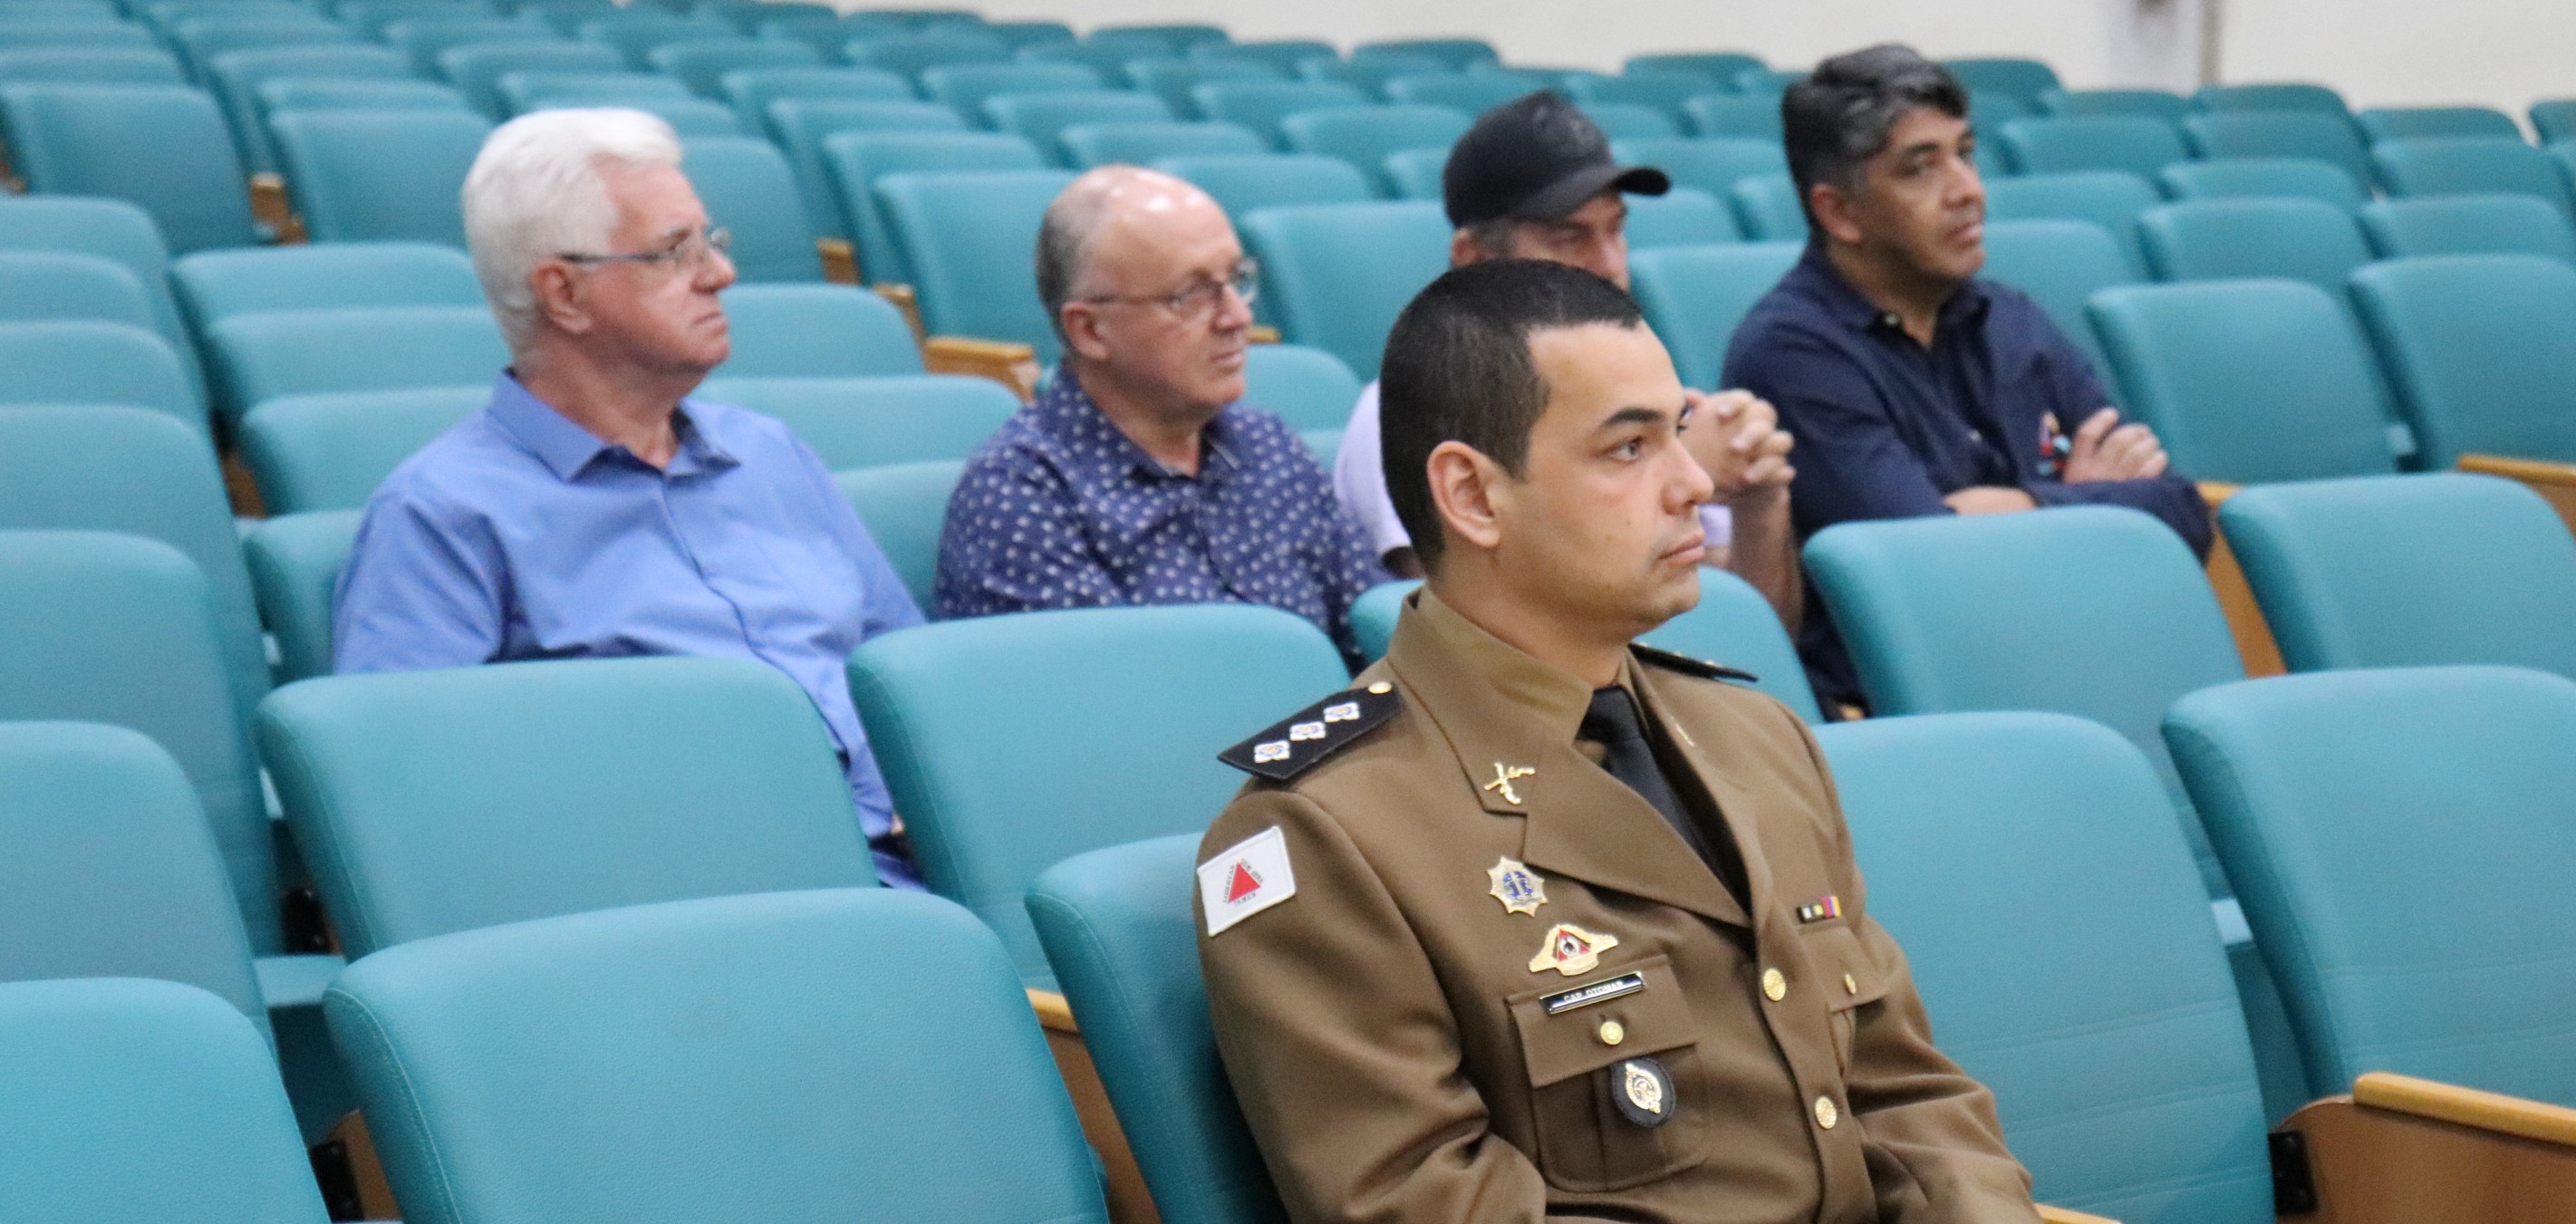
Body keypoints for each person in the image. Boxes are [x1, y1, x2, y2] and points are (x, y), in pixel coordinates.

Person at [1196, 259, 2550, 1224]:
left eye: (1681, 433)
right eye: (1628, 446)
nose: (1695, 483)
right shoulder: (1323, 829)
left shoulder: (1743, 726)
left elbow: (1900, 1081)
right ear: (1472, 490)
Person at [331, 110, 921, 882]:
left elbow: (905, 676)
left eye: (712, 242)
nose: (720, 274)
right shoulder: (442, 517)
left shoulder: (770, 454)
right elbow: (408, 810)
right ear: (564, 293)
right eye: (676, 252)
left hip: (923, 870)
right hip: (705, 905)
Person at [1722, 45, 2213, 715]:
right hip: (1906, 714)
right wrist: (2090, 506)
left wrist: (2014, 507)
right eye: (1921, 168)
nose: (1967, 189)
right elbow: (1932, 572)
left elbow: (2181, 515)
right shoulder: (1791, 354)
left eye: (1965, 153)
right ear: (1840, 213)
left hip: (2055, 668)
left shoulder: (2013, 319)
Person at [1330, 92, 1799, 622]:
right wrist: (1660, 468)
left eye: (1616, 229)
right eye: (1568, 237)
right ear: (1475, 258)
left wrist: (1758, 504)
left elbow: (1752, 638)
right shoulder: (1402, 411)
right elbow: (1478, 634)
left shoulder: (1653, 399)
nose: (1609, 263)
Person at [932, 167, 1375, 656]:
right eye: (1190, 295)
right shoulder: (1022, 494)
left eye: (1235, 280)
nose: (1238, 317)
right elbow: (1123, 707)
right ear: (1090, 331)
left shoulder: (1268, 445)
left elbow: (1378, 634)